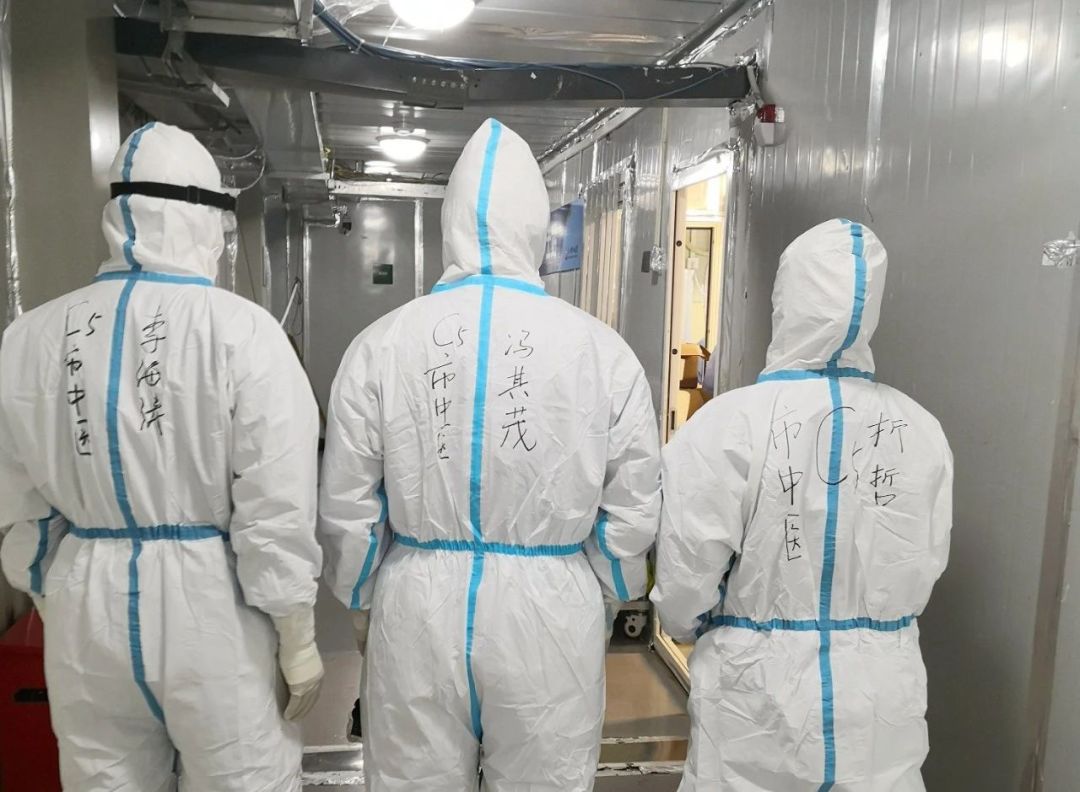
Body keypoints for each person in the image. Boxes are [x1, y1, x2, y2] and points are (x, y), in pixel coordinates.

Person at [318, 118, 661, 792]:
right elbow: (632, 502)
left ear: (449, 221)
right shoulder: (601, 351)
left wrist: (360, 595)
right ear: (536, 227)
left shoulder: (381, 344)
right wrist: (610, 588)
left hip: (417, 607)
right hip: (549, 610)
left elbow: (349, 502)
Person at [0, 122, 324, 792]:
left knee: (103, 778)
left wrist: (50, 591)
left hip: (85, 600)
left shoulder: (28, 338)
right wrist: (295, 630)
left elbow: (19, 502)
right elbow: (276, 506)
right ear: (204, 218)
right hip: (214, 605)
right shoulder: (243, 332)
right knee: (242, 779)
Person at [652, 219, 952, 790]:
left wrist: (694, 624)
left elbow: (687, 573)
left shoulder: (726, 424)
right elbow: (924, 558)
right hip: (879, 693)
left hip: (755, 695)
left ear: (786, 300)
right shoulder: (921, 429)